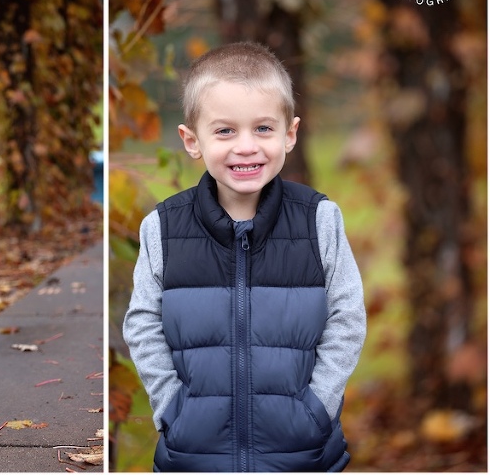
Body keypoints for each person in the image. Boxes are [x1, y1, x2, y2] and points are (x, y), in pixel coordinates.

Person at [122, 42, 366, 472]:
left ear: (290, 134)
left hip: (300, 453)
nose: (247, 147)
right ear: (191, 140)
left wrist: (316, 408)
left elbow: (348, 316)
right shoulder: (162, 228)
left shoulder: (319, 220)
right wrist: (172, 409)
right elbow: (142, 321)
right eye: (225, 131)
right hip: (195, 453)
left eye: (263, 129)